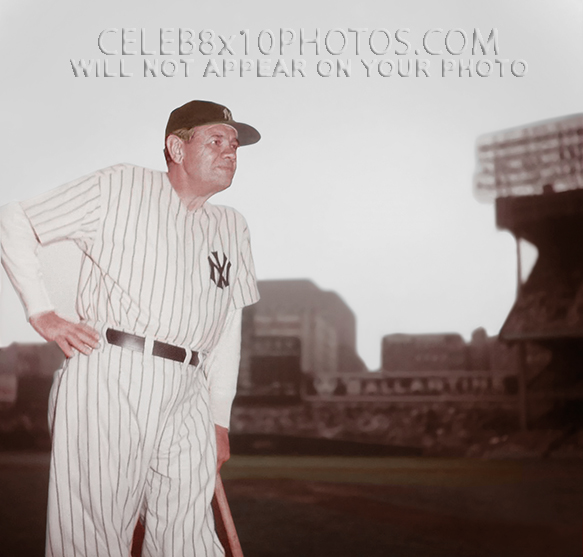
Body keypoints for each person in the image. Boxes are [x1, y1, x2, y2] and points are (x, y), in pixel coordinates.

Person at [0, 100, 261, 556]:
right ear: (176, 148)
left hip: (190, 386)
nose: (230, 152)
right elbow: (14, 220)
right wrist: (40, 311)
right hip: (112, 371)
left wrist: (219, 419)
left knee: (189, 536)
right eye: (215, 140)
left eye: (235, 145)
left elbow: (227, 327)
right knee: (93, 534)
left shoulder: (232, 225)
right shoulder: (120, 185)